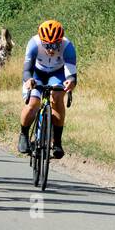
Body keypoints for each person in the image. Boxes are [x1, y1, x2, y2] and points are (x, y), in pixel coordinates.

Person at [19, 20, 79, 160]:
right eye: (47, 45)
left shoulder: (68, 46)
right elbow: (27, 70)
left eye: (55, 45)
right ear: (42, 41)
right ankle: (23, 134)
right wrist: (29, 80)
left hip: (57, 74)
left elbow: (71, 74)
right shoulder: (34, 44)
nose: (51, 50)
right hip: (36, 74)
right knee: (33, 104)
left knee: (57, 98)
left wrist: (70, 82)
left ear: (60, 41)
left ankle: (57, 141)